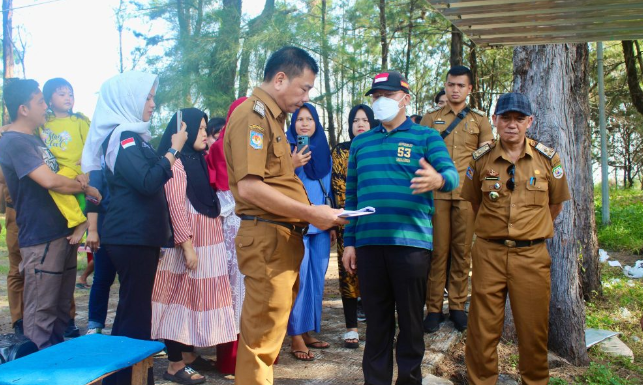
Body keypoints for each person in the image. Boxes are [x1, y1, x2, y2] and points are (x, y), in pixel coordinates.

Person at [224, 46, 346, 385]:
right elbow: (249, 188)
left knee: (269, 336)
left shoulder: (273, 119)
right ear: (280, 79)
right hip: (266, 238)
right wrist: (311, 212)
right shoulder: (253, 116)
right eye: (304, 88)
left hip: (280, 238)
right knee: (261, 342)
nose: (306, 97)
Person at [342, 71, 458, 385]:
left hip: (411, 246)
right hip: (368, 245)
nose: (380, 102)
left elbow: (452, 175)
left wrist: (438, 179)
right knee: (377, 324)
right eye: (376, 96)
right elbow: (351, 195)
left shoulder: (426, 137)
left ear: (405, 98)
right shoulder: (361, 144)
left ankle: (409, 379)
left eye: (388, 95)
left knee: (409, 323)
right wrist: (349, 242)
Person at [81, 71, 187, 385]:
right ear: (129, 100)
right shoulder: (124, 137)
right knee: (135, 315)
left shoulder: (132, 137)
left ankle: (130, 378)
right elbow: (147, 181)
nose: (153, 105)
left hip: (136, 237)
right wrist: (174, 149)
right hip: (130, 237)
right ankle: (126, 380)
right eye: (148, 97)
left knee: (134, 312)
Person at [461, 92, 570, 384]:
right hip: (489, 254)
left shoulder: (548, 160)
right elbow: (475, 203)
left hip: (532, 257)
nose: (512, 125)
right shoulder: (481, 160)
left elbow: (555, 205)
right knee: (483, 330)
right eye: (505, 118)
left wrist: (529, 231)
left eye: (519, 119)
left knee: (533, 331)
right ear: (495, 121)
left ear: (529, 122)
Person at [0, 79, 101, 349]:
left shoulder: (34, 138)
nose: (45, 106)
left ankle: (55, 366)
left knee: (58, 308)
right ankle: (36, 372)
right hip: (41, 236)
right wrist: (87, 188)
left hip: (62, 231)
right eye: (40, 101)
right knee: (41, 311)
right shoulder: (15, 142)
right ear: (23, 108)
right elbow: (50, 181)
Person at [153, 108, 236, 385]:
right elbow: (176, 205)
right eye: (199, 128)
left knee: (194, 299)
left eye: (204, 128)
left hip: (204, 239)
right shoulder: (176, 162)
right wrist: (187, 246)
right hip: (187, 242)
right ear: (183, 131)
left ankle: (187, 355)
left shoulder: (197, 159)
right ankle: (175, 363)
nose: (204, 133)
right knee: (178, 301)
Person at [420, 65, 494, 333]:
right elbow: (421, 153)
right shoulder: (430, 119)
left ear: (469, 89)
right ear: (446, 85)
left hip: (466, 195)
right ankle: (434, 309)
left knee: (462, 253)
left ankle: (458, 307)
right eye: (451, 84)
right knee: (437, 252)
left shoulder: (480, 121)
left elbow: (486, 158)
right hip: (436, 194)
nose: (455, 89)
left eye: (461, 85)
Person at [286, 103, 335, 361]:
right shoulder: (286, 147)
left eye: (309, 119)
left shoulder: (322, 148)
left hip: (322, 225)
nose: (304, 124)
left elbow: (330, 186)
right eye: (299, 119)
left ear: (316, 123)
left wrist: (333, 219)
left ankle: (307, 331)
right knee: (300, 280)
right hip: (298, 222)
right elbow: (274, 180)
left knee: (317, 278)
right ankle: (295, 335)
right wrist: (292, 163)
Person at [205, 98, 247, 375]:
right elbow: (218, 193)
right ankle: (231, 358)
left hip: (255, 224)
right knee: (232, 291)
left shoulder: (256, 143)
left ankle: (254, 355)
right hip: (231, 226)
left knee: (253, 291)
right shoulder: (221, 147)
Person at [330, 104, 375, 349]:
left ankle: (377, 329)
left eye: (365, 120)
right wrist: (342, 219)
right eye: (356, 120)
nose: (360, 124)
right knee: (348, 274)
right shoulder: (341, 151)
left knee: (373, 276)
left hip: (374, 224)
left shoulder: (378, 148)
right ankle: (351, 329)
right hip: (348, 220)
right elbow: (338, 186)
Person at [39, 77, 90, 244]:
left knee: (54, 186)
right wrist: (6, 128)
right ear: (49, 101)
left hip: (73, 167)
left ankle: (80, 221)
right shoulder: (44, 122)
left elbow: (92, 144)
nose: (68, 98)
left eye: (71, 94)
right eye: (62, 94)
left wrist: (86, 170)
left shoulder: (78, 120)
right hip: (56, 168)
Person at [84, 158, 115, 335]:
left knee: (128, 282)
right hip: (103, 225)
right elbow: (92, 196)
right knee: (102, 278)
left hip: (125, 225)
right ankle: (95, 324)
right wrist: (93, 230)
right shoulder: (98, 161)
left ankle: (124, 328)